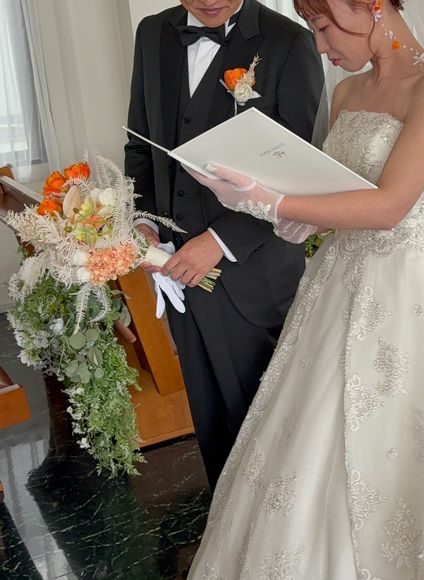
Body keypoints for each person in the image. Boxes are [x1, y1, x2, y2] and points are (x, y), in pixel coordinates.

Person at [186, 0, 424, 577]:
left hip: (415, 287)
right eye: (312, 30)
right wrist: (260, 198)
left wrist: (273, 202)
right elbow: (329, 200)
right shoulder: (347, 93)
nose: (320, 48)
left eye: (323, 27)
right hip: (335, 288)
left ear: (371, 5)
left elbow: (391, 206)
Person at [124, 0, 324, 490]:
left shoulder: (288, 41)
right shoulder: (153, 33)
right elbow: (140, 144)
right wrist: (144, 223)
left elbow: (301, 170)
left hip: (255, 275)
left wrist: (220, 240)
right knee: (212, 424)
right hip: (176, 271)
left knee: (267, 427)